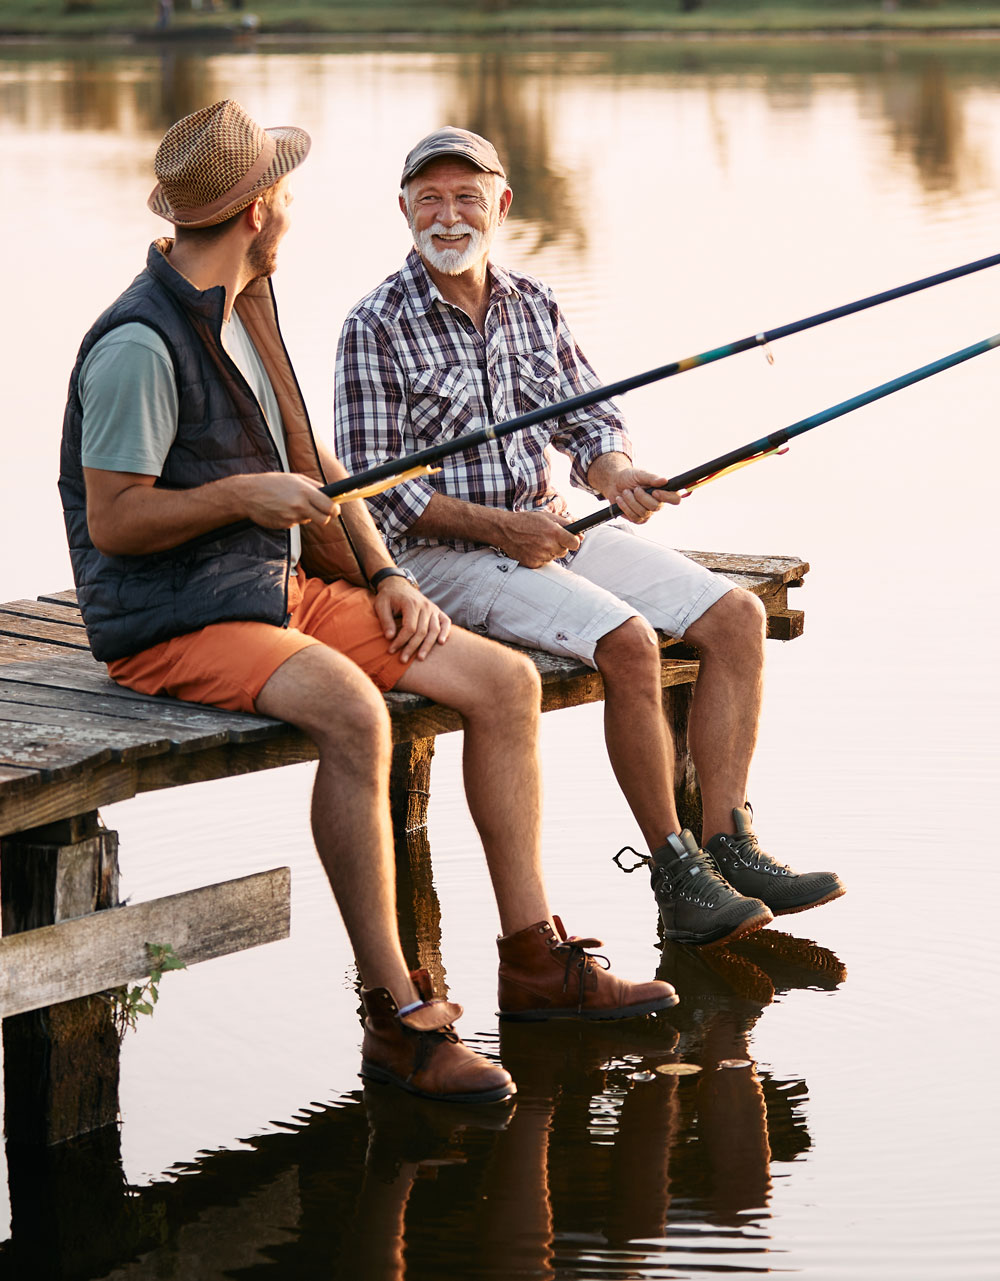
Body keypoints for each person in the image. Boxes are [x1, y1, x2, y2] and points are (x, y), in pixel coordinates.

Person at [58, 102, 678, 1108]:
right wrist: (243, 496)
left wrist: (385, 574)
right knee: (353, 712)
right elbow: (117, 521)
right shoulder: (138, 343)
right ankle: (398, 1017)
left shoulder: (246, 302)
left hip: (270, 589)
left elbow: (315, 463)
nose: (293, 205)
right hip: (168, 618)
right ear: (259, 209)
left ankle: (531, 960)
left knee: (501, 681)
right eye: (285, 190)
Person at [334, 126, 846, 949]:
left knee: (736, 618)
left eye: (467, 197)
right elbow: (375, 495)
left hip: (551, 527)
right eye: (430, 199)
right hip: (441, 559)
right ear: (403, 211)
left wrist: (615, 476)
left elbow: (591, 418)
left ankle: (728, 843)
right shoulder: (373, 325)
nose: (449, 215)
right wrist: (505, 527)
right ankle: (675, 870)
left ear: (500, 205)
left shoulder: (532, 302)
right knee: (630, 641)